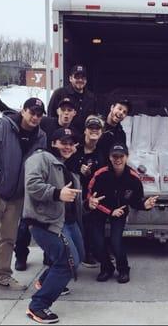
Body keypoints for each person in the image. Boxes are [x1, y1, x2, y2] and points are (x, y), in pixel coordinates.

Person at [0, 92, 78, 270]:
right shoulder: (46, 123)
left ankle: (46, 261)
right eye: (63, 109)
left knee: (44, 225)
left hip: (46, 181)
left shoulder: (73, 131)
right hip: (25, 183)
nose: (66, 113)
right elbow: (20, 118)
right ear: (57, 111)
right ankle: (21, 257)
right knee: (24, 226)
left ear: (74, 113)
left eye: (70, 110)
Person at [0, 98, 47, 302]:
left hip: (17, 196)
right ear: (23, 110)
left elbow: (37, 165)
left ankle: (3, 276)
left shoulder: (41, 137)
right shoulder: (2, 126)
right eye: (32, 112)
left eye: (39, 114)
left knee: (8, 239)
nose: (35, 117)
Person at [22, 127, 84, 324]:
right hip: (44, 222)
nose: (67, 146)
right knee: (66, 262)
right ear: (53, 143)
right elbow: (32, 186)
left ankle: (44, 282)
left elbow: (72, 196)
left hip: (67, 222)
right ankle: (37, 306)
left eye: (71, 143)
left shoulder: (65, 165)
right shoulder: (40, 158)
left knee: (78, 256)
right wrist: (57, 193)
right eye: (63, 142)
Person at [87, 143, 159, 284]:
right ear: (109, 157)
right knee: (97, 243)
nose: (118, 159)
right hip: (100, 210)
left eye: (121, 156)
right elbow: (91, 197)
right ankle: (107, 268)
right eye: (115, 156)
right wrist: (108, 210)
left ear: (127, 157)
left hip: (119, 212)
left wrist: (145, 205)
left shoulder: (133, 178)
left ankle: (123, 269)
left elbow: (135, 201)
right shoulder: (100, 174)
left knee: (116, 242)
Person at [68, 115, 106, 268]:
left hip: (95, 195)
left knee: (94, 226)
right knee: (77, 225)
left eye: (97, 129)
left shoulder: (102, 152)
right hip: (76, 194)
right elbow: (66, 165)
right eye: (91, 129)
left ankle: (93, 253)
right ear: (85, 131)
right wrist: (79, 169)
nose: (94, 132)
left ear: (101, 133)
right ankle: (77, 255)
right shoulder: (76, 149)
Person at [47, 65, 98, 134]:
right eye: (77, 77)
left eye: (83, 78)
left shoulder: (91, 97)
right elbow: (51, 117)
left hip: (84, 138)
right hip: (65, 139)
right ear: (70, 78)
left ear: (86, 80)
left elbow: (94, 118)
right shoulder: (59, 94)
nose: (80, 80)